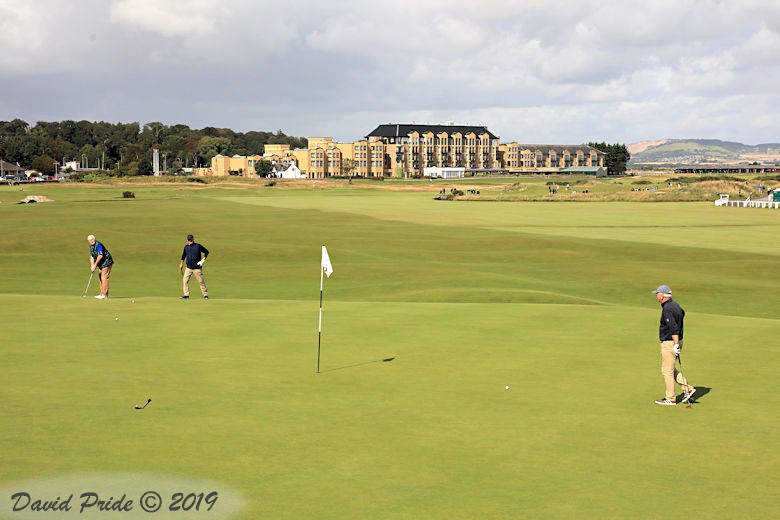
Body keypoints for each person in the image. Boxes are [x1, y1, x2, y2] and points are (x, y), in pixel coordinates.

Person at [651, 285, 695, 405]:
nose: (656, 295)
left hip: (670, 342)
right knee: (669, 369)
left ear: (662, 295)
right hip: (677, 341)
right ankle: (688, 389)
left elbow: (673, 327)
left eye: (657, 293)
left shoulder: (667, 309)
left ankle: (671, 398)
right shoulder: (675, 305)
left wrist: (675, 344)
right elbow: (682, 314)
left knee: (667, 371)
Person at [179, 234, 209, 299]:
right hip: (188, 268)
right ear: (187, 240)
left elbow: (206, 252)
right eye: (189, 240)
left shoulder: (198, 246)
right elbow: (183, 256)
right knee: (185, 281)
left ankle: (205, 295)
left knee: (201, 281)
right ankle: (186, 295)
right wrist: (181, 263)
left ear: (193, 239)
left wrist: (203, 260)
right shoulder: (186, 247)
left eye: (191, 239)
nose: (190, 241)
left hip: (197, 268)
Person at [87, 235, 114, 299]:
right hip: (101, 264)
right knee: (100, 276)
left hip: (106, 261)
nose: (91, 241)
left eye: (92, 239)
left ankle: (105, 295)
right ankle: (101, 293)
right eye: (90, 240)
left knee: (104, 277)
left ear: (94, 238)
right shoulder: (91, 247)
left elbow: (100, 255)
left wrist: (95, 265)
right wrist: (92, 266)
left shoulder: (98, 245)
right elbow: (92, 257)